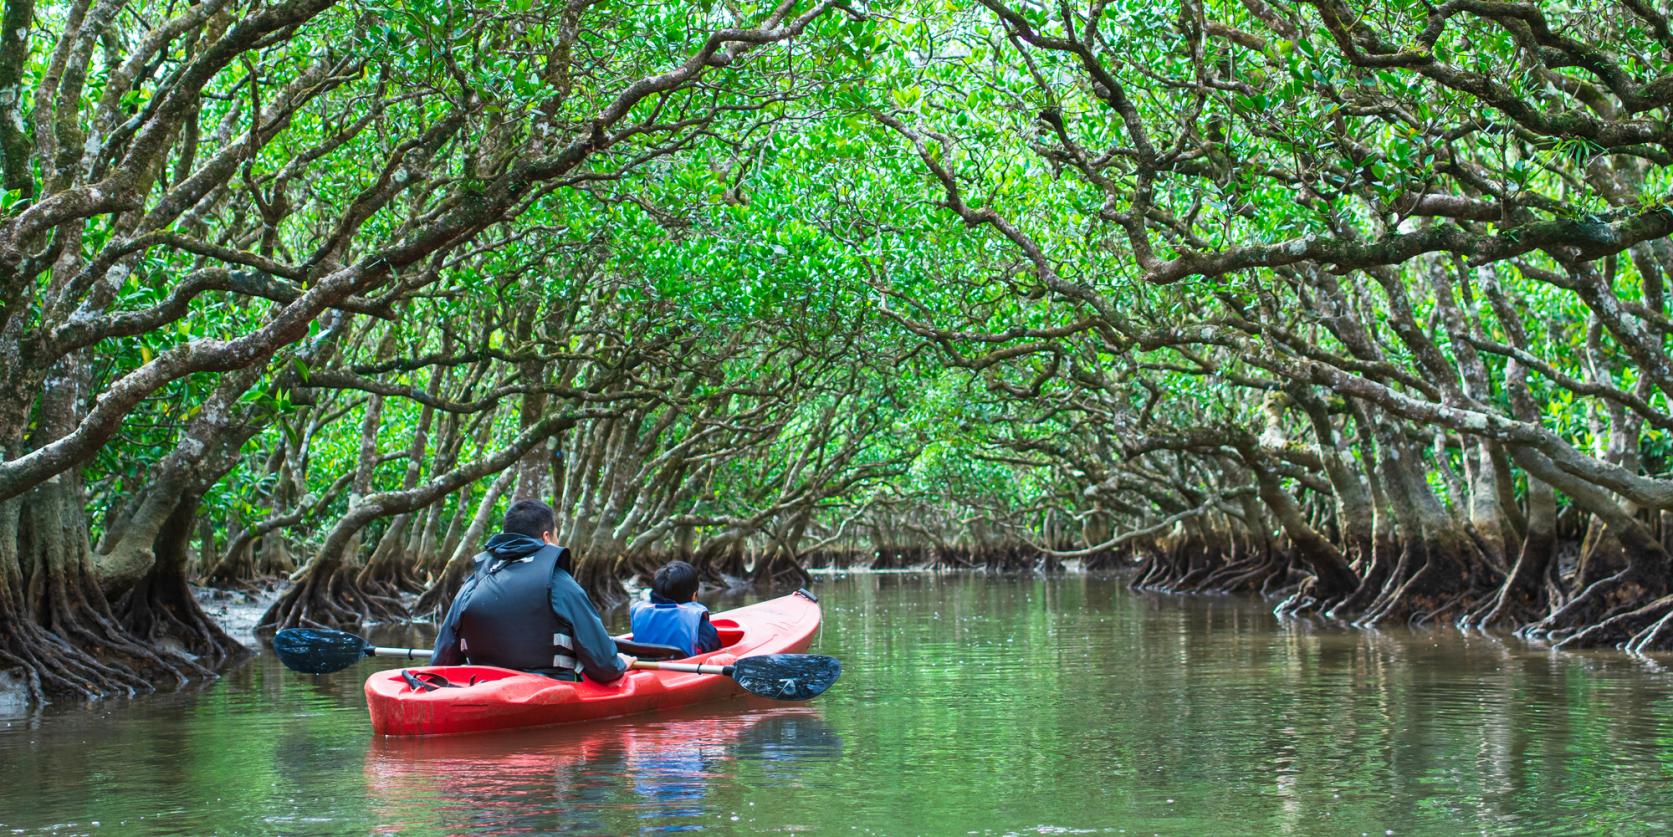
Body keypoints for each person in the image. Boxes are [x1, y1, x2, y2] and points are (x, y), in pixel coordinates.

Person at [430, 498, 629, 683]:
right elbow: (605, 666)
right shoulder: (559, 582)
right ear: (546, 537)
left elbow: (441, 662)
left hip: (481, 684)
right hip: (549, 689)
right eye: (556, 535)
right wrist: (621, 663)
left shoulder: (474, 582)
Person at [629, 560, 722, 657]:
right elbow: (715, 646)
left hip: (645, 667)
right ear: (694, 595)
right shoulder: (700, 626)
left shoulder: (641, 614)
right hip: (686, 669)